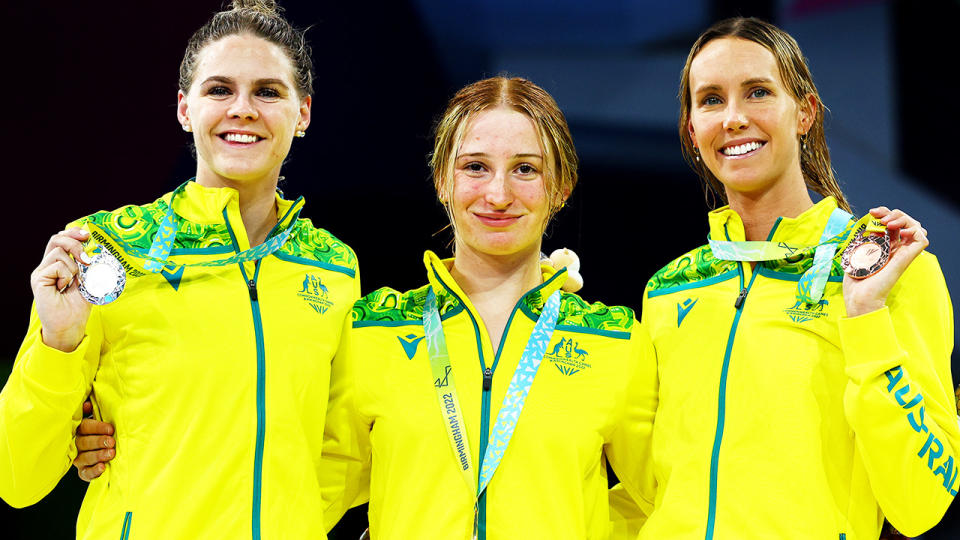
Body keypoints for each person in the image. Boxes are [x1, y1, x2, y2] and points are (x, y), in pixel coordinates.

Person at [0, 1, 359, 538]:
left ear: (302, 113)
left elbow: (341, 450)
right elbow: (16, 476)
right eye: (219, 90)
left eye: (268, 91)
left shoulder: (332, 266)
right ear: (184, 109)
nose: (242, 109)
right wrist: (59, 343)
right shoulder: (106, 250)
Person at [635, 16, 958, 539]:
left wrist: (866, 318)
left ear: (804, 111)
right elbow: (643, 488)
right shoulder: (670, 289)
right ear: (692, 131)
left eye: (758, 92)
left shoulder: (890, 271)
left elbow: (922, 500)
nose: (734, 117)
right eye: (712, 99)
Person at [315, 76, 658, 539]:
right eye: (475, 167)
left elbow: (671, 498)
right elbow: (309, 491)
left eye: (525, 170)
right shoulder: (372, 331)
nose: (498, 195)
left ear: (561, 187)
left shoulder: (615, 343)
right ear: (442, 180)